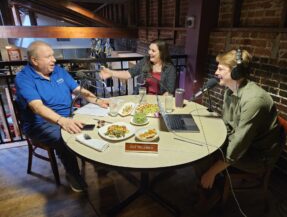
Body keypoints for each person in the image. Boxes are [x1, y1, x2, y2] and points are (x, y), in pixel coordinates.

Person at [15, 41, 109, 192]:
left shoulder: (58, 71)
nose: (54, 59)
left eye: (53, 55)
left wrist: (97, 100)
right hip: (40, 124)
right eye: (48, 57)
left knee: (97, 125)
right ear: (34, 60)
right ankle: (73, 174)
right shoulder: (24, 78)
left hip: (68, 116)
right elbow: (37, 107)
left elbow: (79, 90)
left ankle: (96, 161)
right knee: (64, 139)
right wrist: (62, 121)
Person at [195, 49, 281, 211]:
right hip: (242, 146)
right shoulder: (230, 92)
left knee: (203, 157)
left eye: (220, 69)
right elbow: (228, 126)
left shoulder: (254, 100)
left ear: (236, 72)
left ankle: (211, 191)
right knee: (199, 146)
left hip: (257, 157)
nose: (215, 72)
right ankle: (209, 188)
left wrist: (212, 171)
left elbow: (239, 145)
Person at [100, 39, 176, 95]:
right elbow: (128, 74)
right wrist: (111, 73)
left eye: (153, 51)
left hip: (158, 102)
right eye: (149, 49)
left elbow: (169, 91)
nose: (149, 52)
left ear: (162, 53)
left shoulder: (170, 69)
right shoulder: (146, 61)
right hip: (141, 98)